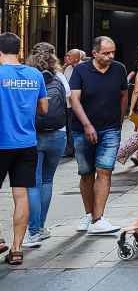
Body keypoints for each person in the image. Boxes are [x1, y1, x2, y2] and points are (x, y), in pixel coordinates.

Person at [69, 36, 128, 235]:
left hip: (110, 128)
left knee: (105, 171)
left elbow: (123, 94)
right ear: (94, 53)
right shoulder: (80, 70)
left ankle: (98, 218)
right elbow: (74, 100)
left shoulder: (119, 68)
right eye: (106, 53)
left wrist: (119, 122)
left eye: (113, 52)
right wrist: (87, 125)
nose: (110, 56)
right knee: (86, 173)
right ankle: (88, 214)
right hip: (82, 129)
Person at [0, 33, 48, 265]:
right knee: (21, 195)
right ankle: (17, 249)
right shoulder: (35, 74)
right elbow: (44, 108)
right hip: (27, 143)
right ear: (20, 50)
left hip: (1, 142)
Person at [23, 43, 67, 248]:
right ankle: (41, 227)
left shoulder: (27, 76)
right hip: (57, 135)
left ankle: (33, 232)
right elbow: (69, 103)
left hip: (33, 134)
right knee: (47, 181)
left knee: (34, 182)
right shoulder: (60, 77)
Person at [61, 49, 86, 158]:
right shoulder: (67, 69)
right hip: (68, 103)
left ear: (76, 58)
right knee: (68, 127)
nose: (67, 58)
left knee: (78, 127)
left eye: (69, 56)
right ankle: (70, 150)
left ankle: (79, 149)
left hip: (80, 103)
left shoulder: (85, 68)